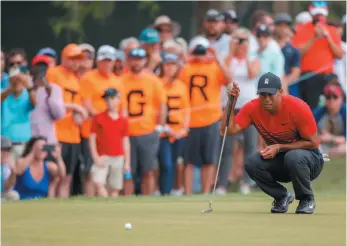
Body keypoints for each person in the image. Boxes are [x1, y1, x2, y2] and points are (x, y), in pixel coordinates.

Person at [223, 72, 324, 214]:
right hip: (281, 160)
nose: (266, 99)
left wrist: (279, 147)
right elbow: (228, 130)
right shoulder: (253, 108)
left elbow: (313, 143)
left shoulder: (298, 107)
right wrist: (231, 102)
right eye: (262, 95)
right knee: (252, 163)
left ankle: (306, 199)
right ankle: (282, 197)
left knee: (293, 157)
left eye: (271, 94)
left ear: (281, 92)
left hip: (310, 160)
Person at [179, 36, 231, 195]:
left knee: (209, 160)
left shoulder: (215, 66)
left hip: (211, 118)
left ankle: (205, 192)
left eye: (203, 51)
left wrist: (217, 58)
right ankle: (187, 193)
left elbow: (229, 79)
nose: (201, 54)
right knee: (189, 161)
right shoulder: (186, 68)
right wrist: (187, 59)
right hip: (191, 121)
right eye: (198, 51)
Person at [216, 28, 260, 195]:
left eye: (244, 40)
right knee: (226, 148)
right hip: (231, 108)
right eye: (237, 40)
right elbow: (226, 77)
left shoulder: (253, 59)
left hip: (249, 108)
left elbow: (252, 73)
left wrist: (246, 54)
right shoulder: (227, 59)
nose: (241, 44)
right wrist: (231, 50)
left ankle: (246, 183)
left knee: (250, 146)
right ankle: (222, 184)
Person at [80, 45, 127, 196]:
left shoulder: (118, 81)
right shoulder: (88, 78)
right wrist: (103, 120)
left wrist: (118, 125)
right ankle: (91, 201)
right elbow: (87, 103)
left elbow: (123, 107)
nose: (107, 64)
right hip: (93, 130)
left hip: (113, 132)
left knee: (113, 176)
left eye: (110, 61)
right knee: (91, 172)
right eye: (104, 61)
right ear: (98, 61)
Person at [120, 47, 167, 195]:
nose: (136, 63)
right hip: (127, 132)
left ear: (145, 61)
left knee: (148, 170)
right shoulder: (121, 80)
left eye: (140, 59)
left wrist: (160, 125)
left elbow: (162, 104)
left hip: (147, 130)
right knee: (128, 171)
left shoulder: (153, 81)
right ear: (128, 61)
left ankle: (148, 199)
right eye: (133, 59)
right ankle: (127, 201)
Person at [46, 43, 88, 198]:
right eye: (72, 58)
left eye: (78, 59)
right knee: (55, 175)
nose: (76, 62)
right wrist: (74, 108)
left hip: (73, 134)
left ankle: (61, 208)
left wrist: (79, 114)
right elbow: (49, 103)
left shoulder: (77, 79)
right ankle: (49, 207)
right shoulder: (54, 74)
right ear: (64, 58)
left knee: (67, 176)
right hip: (56, 133)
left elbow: (80, 104)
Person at [292, 1, 343, 109]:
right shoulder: (302, 30)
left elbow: (339, 55)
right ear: (311, 13)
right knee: (312, 108)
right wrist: (314, 38)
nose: (319, 17)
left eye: (322, 14)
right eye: (317, 14)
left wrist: (328, 38)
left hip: (328, 76)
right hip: (309, 77)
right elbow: (297, 53)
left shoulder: (332, 31)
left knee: (337, 103)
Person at [157, 52, 190, 195]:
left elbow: (187, 110)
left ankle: (172, 191)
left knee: (177, 163)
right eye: (167, 65)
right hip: (163, 132)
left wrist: (183, 130)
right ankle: (164, 192)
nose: (170, 68)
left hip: (179, 133)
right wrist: (168, 129)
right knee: (166, 164)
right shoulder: (157, 84)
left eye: (173, 65)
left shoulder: (181, 86)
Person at [89, 88, 130, 197]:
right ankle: (106, 202)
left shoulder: (123, 120)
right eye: (107, 99)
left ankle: (111, 209)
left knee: (115, 187)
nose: (109, 101)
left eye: (112, 98)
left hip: (118, 155)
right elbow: (92, 138)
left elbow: (125, 141)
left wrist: (127, 162)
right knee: (98, 182)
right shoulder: (98, 118)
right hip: (103, 155)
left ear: (118, 100)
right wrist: (95, 156)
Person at [1, 65, 37, 160]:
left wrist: (29, 87)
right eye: (14, 79)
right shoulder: (4, 92)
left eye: (20, 80)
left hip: (22, 143)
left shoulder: (28, 94)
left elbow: (34, 104)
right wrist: (11, 88)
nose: (17, 82)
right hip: (4, 143)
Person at [314, 83, 346, 157]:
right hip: (322, 145)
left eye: (335, 97)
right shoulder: (318, 113)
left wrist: (330, 138)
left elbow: (344, 139)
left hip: (341, 146)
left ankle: (325, 155)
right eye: (328, 97)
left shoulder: (345, 112)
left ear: (341, 98)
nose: (331, 100)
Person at [273, 13, 301, 97]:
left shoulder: (293, 50)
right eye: (280, 26)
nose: (282, 29)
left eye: (285, 26)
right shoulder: (268, 47)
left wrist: (283, 83)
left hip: (286, 89)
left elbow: (295, 72)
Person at [1, 137, 20, 201]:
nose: (6, 153)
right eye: (3, 149)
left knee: (13, 195)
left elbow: (7, 188)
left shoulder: (5, 166)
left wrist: (13, 171)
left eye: (8, 150)